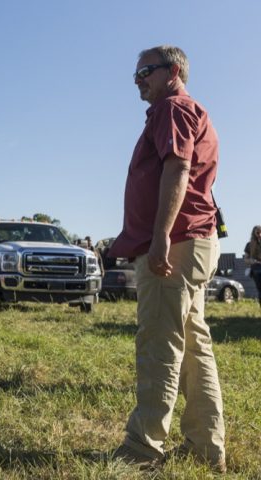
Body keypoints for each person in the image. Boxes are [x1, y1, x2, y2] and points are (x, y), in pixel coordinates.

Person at [108, 45, 225, 472]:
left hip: (175, 243)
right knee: (194, 347)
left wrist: (158, 236)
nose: (138, 79)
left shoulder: (172, 108)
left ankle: (142, 450)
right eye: (136, 73)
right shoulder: (187, 110)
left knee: (159, 343)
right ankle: (205, 448)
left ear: (173, 71)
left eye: (145, 71)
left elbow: (177, 168)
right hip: (195, 240)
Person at [243, 225, 261, 307]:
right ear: (254, 233)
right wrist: (252, 261)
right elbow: (246, 259)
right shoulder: (249, 245)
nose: (259, 234)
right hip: (256, 268)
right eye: (258, 233)